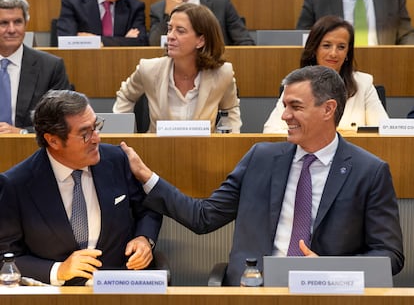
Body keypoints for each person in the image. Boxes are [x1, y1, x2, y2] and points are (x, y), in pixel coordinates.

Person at [120, 65, 404, 286]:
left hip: (325, 292)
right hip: (255, 290)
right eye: (284, 106)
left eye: (296, 107)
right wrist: (147, 177)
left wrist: (332, 270)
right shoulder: (261, 158)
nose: (284, 116)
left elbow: (389, 255)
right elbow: (203, 216)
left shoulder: (369, 171)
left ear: (328, 109)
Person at [0, 90, 163, 286]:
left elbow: (148, 207)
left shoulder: (116, 160)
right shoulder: (17, 184)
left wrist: (144, 238)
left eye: (96, 127)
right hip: (57, 294)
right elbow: (6, 255)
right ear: (53, 140)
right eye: (85, 134)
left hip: (120, 285)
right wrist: (58, 270)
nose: (96, 138)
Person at [113, 3, 242, 133]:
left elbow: (230, 109)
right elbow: (126, 97)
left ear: (201, 41)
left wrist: (229, 141)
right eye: (169, 29)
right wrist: (126, 137)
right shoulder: (149, 69)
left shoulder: (222, 73)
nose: (170, 36)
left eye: (180, 31)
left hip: (204, 150)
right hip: (157, 150)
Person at [263, 15, 388, 133]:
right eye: (327, 46)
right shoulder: (296, 84)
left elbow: (384, 130)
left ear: (347, 53)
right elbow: (270, 131)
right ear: (314, 49)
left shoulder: (363, 83)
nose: (333, 53)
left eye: (341, 47)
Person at [0, 0, 70, 134]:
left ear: (26, 24)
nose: (12, 30)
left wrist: (21, 133)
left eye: (18, 22)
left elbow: (61, 121)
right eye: (4, 23)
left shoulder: (51, 67)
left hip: (31, 149)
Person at [296, 0, 414, 45]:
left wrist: (406, 56)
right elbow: (304, 35)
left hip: (383, 64)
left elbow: (405, 34)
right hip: (335, 69)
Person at [148, 0, 255, 46]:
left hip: (213, 65)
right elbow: (154, 44)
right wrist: (168, 14)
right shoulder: (158, 8)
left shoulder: (221, 3)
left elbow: (245, 41)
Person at [56, 0, 148, 46]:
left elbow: (141, 42)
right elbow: (66, 40)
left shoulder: (135, 6)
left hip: (121, 63)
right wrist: (124, 40)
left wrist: (95, 41)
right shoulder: (73, 2)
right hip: (84, 62)